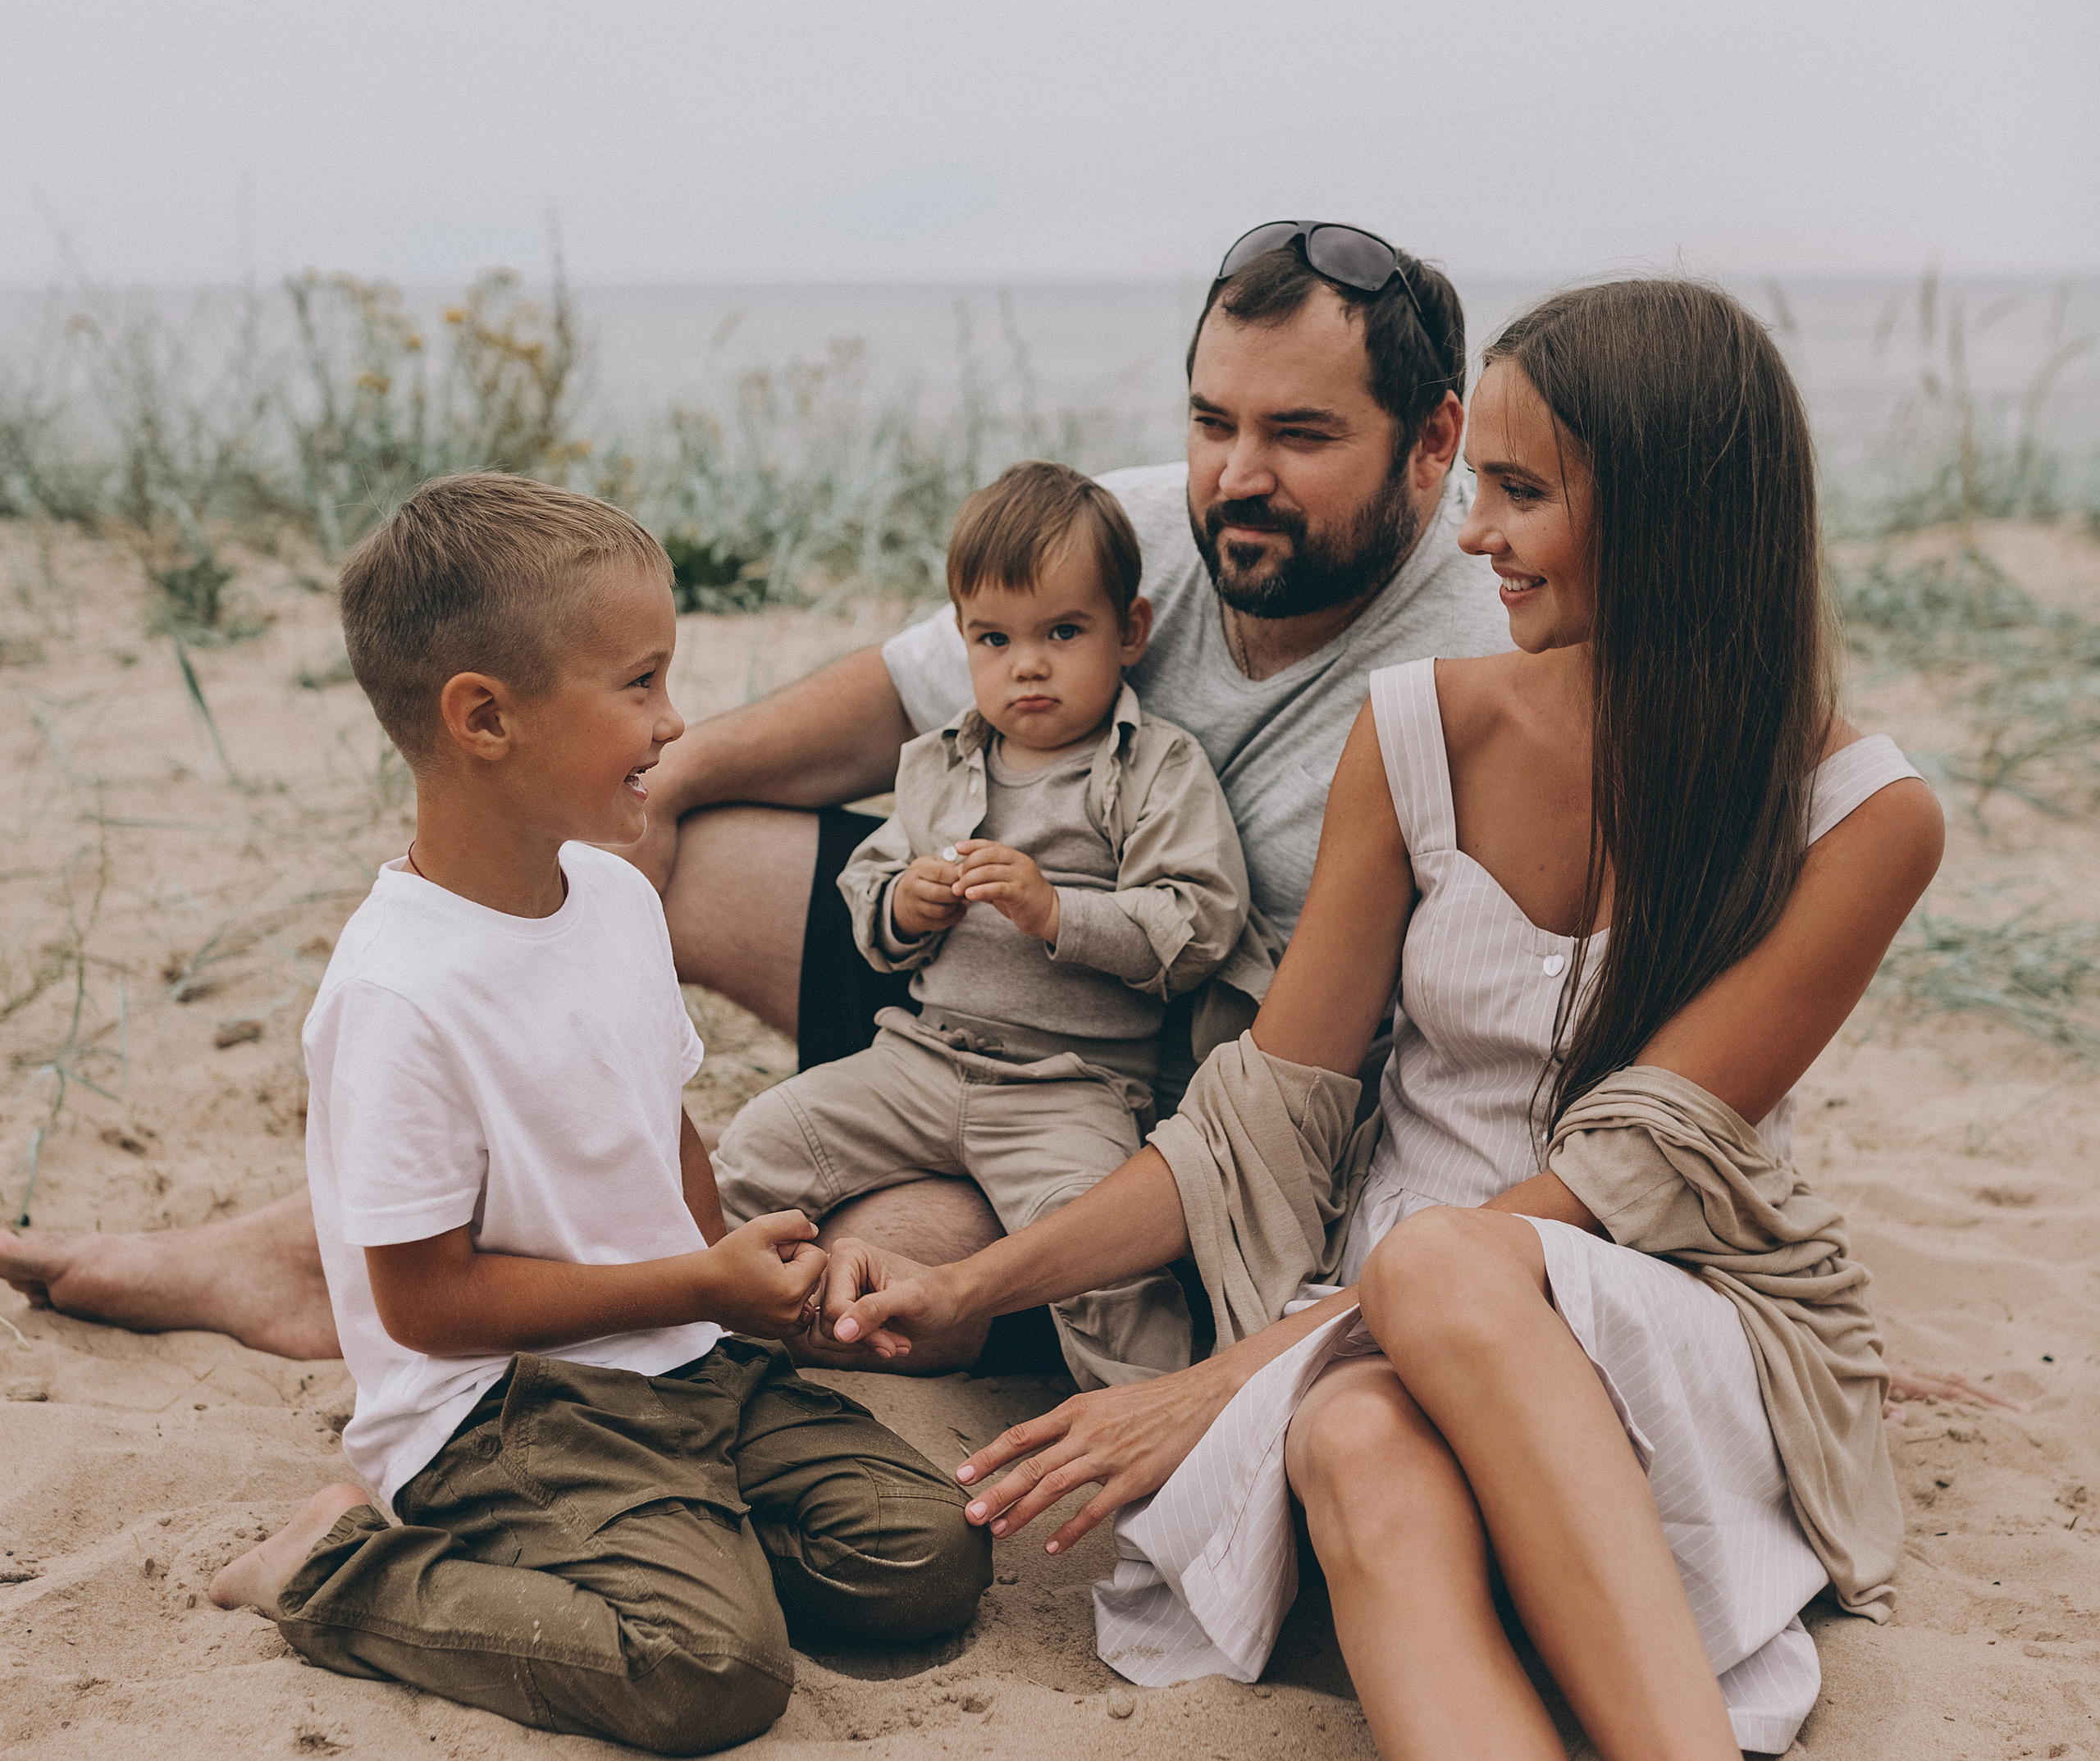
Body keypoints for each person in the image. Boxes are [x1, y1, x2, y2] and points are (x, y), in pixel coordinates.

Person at [819, 281, 1962, 1761]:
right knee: (1365, 1428)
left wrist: (1225, 1373)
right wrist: (986, 1285)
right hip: (1389, 1353)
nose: (1482, 533)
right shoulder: (1416, 734)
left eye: (1521, 489)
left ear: (1680, 516)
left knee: (1438, 1271)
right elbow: (1262, 1109)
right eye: (1483, 481)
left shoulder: (1858, 811)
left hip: (1669, 1331)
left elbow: (1623, 1173)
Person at [0, 219, 1500, 1360]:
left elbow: (1340, 1078)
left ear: (1434, 443)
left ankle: (470, 1273)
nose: (1235, 474)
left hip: (1143, 1121)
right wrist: (672, 773)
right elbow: (899, 697)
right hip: (951, 1001)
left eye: (1300, 436)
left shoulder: (1469, 674)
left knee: (880, 1274)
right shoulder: (1137, 530)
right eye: (1212, 420)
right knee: (689, 841)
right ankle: (335, 1243)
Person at [208, 475, 987, 1750]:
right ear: (484, 718)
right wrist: (696, 1287)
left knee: (930, 1554)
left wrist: (753, 1284)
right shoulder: (401, 992)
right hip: (502, 1408)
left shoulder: (614, 900)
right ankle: (330, 1569)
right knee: (710, 1672)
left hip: (686, 1358)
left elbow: (663, 1129)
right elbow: (425, 1306)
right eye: (639, 684)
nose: (674, 723)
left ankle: (653, 1539)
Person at [714, 459, 1254, 1387]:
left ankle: (1155, 1447)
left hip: (1069, 1088)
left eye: (1063, 631)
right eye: (994, 638)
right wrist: (903, 905)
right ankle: (692, 1344)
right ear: (962, 642)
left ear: (1129, 632)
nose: (1027, 664)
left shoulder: (1154, 769)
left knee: (1101, 1264)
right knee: (756, 1150)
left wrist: (1057, 912)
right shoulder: (940, 763)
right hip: (918, 1062)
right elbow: (870, 886)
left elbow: (1196, 924)